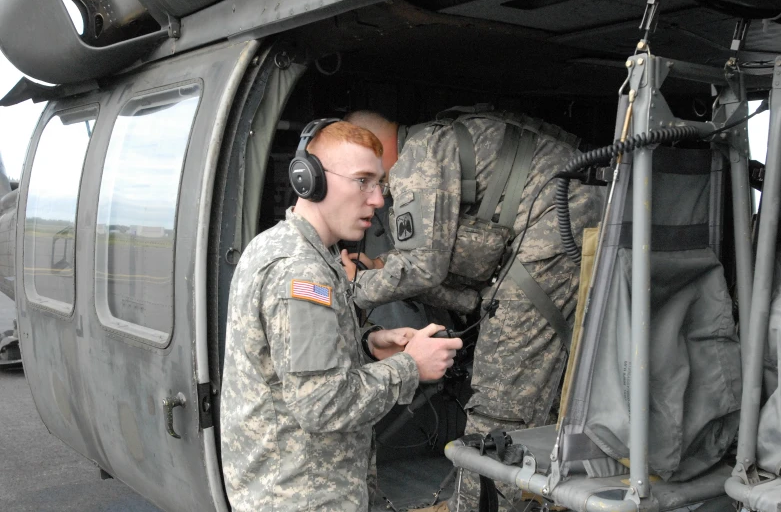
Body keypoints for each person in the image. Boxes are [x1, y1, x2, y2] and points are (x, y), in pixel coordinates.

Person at [344, 109, 603, 512]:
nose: (371, 194)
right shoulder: (437, 138)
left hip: (550, 241)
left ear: (371, 149)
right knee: (544, 395)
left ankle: (473, 507)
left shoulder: (416, 155)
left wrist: (353, 289)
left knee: (500, 401)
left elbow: (424, 268)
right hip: (573, 228)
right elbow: (468, 286)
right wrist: (384, 270)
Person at [219, 120, 463, 512]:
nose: (378, 199)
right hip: (304, 496)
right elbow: (322, 405)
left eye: (379, 183)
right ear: (309, 180)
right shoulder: (300, 270)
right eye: (362, 180)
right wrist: (410, 366)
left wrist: (367, 345)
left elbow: (288, 362)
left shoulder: (280, 245)